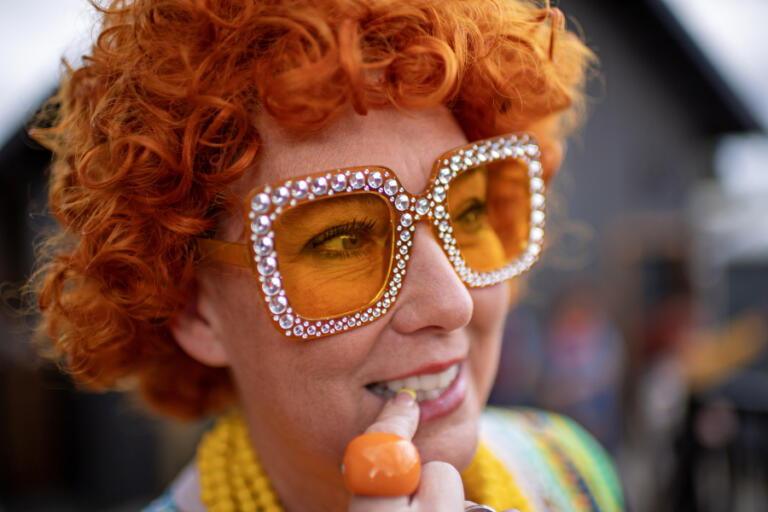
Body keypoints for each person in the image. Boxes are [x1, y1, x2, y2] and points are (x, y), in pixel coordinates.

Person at [29, 0, 623, 510]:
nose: (452, 302)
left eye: (466, 210)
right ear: (193, 309)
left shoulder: (569, 470)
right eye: (342, 241)